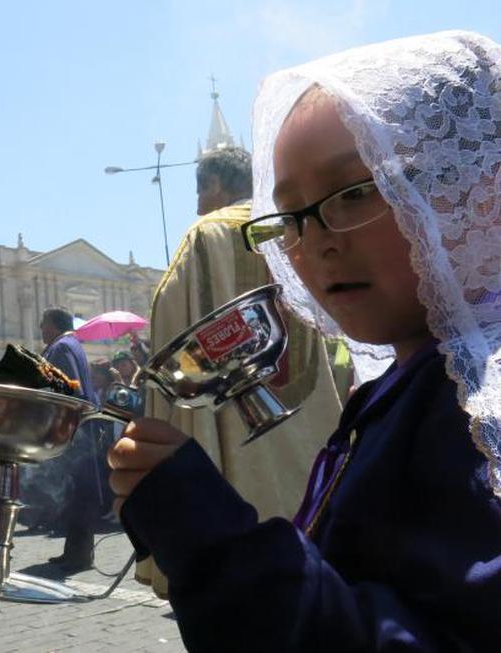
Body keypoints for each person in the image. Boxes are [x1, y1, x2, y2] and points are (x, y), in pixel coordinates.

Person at [110, 32, 501, 651]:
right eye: (289, 218)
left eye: (353, 193)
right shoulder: (413, 378)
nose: (314, 240)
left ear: (478, 195)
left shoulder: (480, 412)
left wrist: (208, 537)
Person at [135, 144, 344, 598]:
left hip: (227, 419)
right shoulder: (290, 227)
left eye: (197, 190)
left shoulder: (207, 235)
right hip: (307, 408)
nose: (196, 204)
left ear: (213, 184)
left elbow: (171, 316)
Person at [39, 306, 101, 571]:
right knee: (77, 493)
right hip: (78, 428)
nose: (41, 329)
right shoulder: (71, 344)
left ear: (53, 324)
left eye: (43, 323)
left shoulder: (62, 347)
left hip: (71, 428)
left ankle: (79, 555)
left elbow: (66, 390)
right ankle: (75, 551)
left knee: (78, 492)